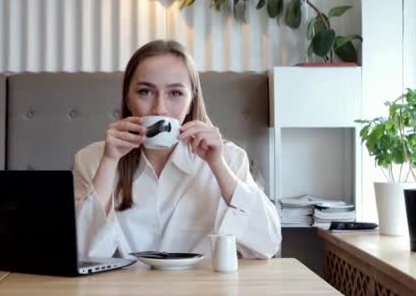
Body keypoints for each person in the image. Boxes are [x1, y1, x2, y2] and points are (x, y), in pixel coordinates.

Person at [73, 40, 281, 259]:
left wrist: (217, 165)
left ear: (192, 100)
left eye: (175, 93)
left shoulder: (229, 158)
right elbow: (81, 253)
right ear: (127, 98)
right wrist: (109, 161)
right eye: (145, 91)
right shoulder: (93, 159)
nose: (159, 108)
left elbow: (267, 243)